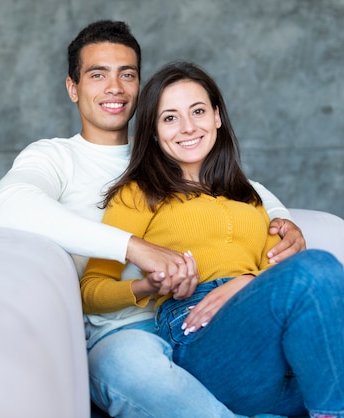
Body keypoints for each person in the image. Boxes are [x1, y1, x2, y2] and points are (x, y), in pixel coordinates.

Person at [0, 20, 306, 418]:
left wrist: (282, 221)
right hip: (125, 327)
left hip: (207, 313)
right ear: (72, 88)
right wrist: (135, 248)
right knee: (127, 364)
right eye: (97, 74)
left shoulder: (175, 143)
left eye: (127, 74)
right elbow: (13, 204)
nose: (115, 87)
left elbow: (244, 194)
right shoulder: (56, 157)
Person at [80, 61, 344, 418]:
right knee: (319, 266)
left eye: (198, 111)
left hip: (275, 362)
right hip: (200, 336)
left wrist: (246, 284)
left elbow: (281, 276)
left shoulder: (249, 197)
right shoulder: (139, 194)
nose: (188, 127)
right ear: (154, 132)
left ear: (217, 117)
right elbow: (91, 290)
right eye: (170, 118)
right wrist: (145, 285)